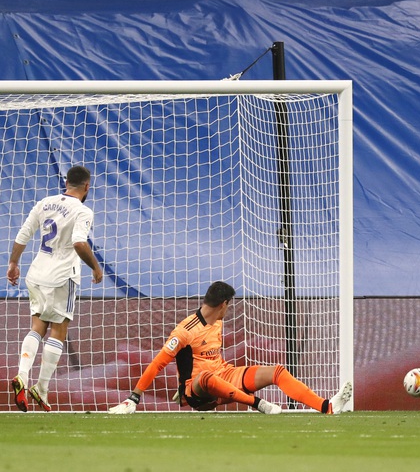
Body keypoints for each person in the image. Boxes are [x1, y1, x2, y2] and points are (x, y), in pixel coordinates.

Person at [109, 281, 353, 415]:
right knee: (205, 377)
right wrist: (134, 398)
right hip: (198, 389)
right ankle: (257, 404)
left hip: (223, 376)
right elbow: (157, 363)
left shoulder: (218, 322)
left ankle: (327, 407)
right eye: (229, 304)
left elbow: (206, 358)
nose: (229, 309)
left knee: (276, 371)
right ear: (223, 303)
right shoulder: (185, 330)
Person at [7, 165, 103, 412]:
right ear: (86, 186)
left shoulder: (45, 203)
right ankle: (41, 386)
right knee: (58, 331)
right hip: (62, 277)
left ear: (67, 182)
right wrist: (95, 267)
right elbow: (79, 243)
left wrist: (13, 263)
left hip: (37, 273)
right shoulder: (83, 211)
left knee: (37, 327)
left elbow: (23, 234)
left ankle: (22, 375)